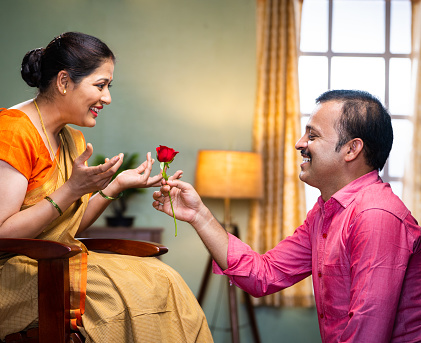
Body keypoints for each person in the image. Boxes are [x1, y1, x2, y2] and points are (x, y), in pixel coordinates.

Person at [0, 32, 212, 343]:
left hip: (43, 265)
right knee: (117, 294)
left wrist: (115, 186)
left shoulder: (71, 139)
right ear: (64, 81)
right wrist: (71, 189)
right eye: (100, 85)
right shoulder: (11, 133)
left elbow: (66, 224)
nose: (107, 98)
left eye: (109, 86)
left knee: (163, 280)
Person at [153, 89, 421, 342]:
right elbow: (263, 275)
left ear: (352, 149)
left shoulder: (376, 216)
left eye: (313, 136)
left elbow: (367, 335)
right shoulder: (325, 212)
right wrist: (199, 215)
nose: (299, 144)